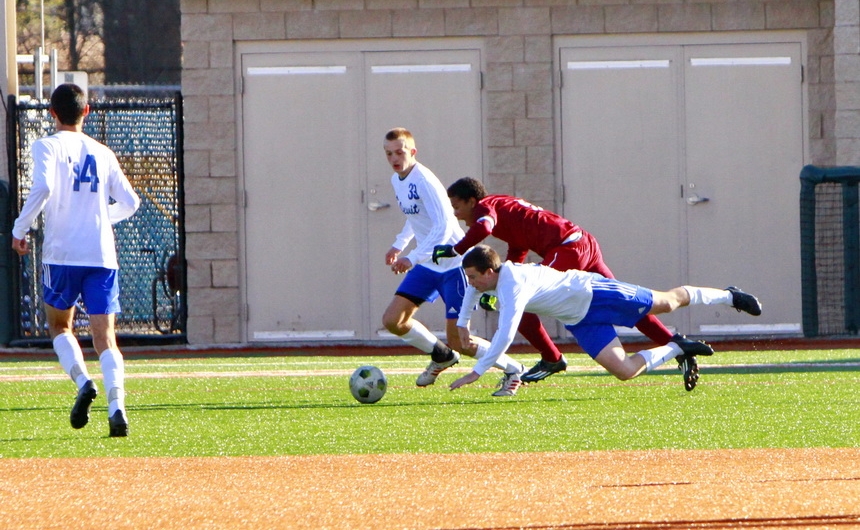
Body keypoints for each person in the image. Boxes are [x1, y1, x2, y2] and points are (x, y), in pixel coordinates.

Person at [433, 177, 705, 385]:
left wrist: (457, 249)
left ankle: (552, 358)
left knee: (524, 304)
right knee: (628, 305)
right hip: (581, 242)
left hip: (567, 248)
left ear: (471, 201)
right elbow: (518, 249)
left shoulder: (486, 207)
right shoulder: (502, 205)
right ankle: (677, 344)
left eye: (457, 207)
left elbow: (484, 227)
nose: (456, 214)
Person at [450, 245, 762, 393]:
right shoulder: (491, 278)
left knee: (667, 302)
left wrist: (478, 371)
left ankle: (728, 295)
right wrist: (463, 323)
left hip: (596, 294)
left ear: (490, 271)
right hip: (581, 320)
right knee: (624, 371)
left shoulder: (512, 284)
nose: (473, 282)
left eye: (475, 276)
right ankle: (677, 348)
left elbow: (505, 334)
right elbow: (471, 293)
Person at [11, 83, 141, 436]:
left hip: (63, 252)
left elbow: (43, 188)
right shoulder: (102, 151)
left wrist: (19, 229)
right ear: (87, 112)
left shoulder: (46, 145)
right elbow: (131, 203)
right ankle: (118, 408)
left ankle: (84, 383)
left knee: (60, 327)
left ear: (51, 113)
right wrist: (99, 218)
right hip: (101, 254)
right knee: (106, 338)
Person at [381, 128, 525, 396]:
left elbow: (445, 226)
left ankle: (514, 369)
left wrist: (411, 257)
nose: (394, 158)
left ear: (413, 152)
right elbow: (415, 217)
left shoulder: (424, 180)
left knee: (461, 340)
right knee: (392, 320)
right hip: (427, 262)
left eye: (400, 152)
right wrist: (399, 244)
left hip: (453, 264)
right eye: (389, 153)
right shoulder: (396, 180)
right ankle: (441, 355)